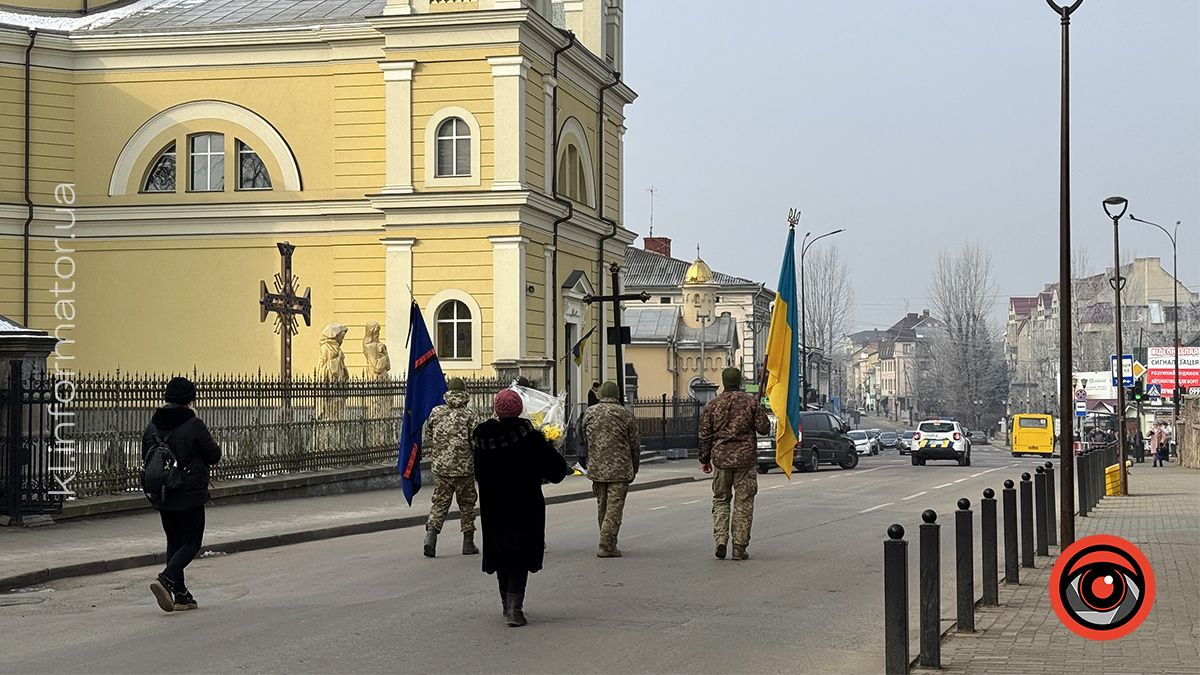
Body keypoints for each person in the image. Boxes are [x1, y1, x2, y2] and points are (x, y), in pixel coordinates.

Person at [472, 389, 570, 627]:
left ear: (496, 409)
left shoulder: (481, 438)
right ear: (519, 409)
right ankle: (515, 608)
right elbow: (557, 472)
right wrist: (551, 448)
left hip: (494, 506)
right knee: (520, 554)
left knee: (501, 552)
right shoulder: (529, 437)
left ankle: (506, 603)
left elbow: (477, 471)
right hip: (524, 505)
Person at [143, 376, 221, 613]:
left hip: (163, 493)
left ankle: (181, 595)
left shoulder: (152, 426)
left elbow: (146, 456)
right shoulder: (193, 424)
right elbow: (213, 455)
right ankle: (165, 579)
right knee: (192, 542)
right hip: (189, 493)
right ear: (190, 399)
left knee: (174, 541)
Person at [699, 367, 771, 561]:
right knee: (743, 502)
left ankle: (721, 539)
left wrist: (704, 459)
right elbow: (764, 428)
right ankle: (739, 547)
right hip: (745, 460)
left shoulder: (713, 404)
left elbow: (705, 435)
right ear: (739, 381)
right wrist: (759, 408)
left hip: (721, 459)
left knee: (721, 500)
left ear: (723, 381)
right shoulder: (750, 402)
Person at [423, 378, 483, 558]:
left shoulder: (436, 412)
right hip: (464, 469)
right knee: (467, 505)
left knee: (440, 503)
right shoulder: (470, 415)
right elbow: (476, 442)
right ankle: (468, 542)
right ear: (464, 394)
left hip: (441, 468)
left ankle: (431, 538)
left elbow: (428, 436)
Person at [581, 381, 640, 557]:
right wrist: (634, 467)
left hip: (597, 468)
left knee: (603, 507)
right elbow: (635, 445)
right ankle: (606, 545)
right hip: (620, 469)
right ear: (617, 395)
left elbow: (583, 437)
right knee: (614, 509)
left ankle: (608, 541)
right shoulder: (625, 415)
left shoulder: (589, 413)